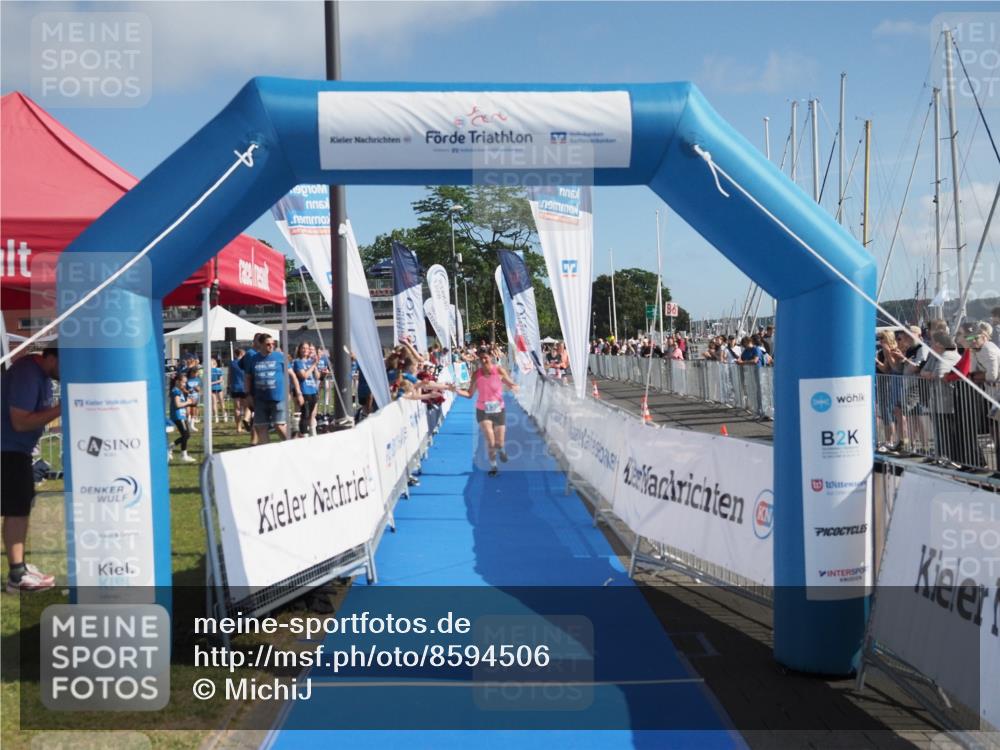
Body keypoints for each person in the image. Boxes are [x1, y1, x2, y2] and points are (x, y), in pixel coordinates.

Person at [1, 347, 60, 592]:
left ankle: (20, 569)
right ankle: (17, 575)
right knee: (16, 509)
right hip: (7, 450)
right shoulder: (27, 372)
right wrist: (61, 408)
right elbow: (20, 421)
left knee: (20, 508)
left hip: (16, 451)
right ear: (50, 358)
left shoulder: (43, 377)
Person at [455, 348, 519, 477]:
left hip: (499, 409)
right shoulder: (476, 374)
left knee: (499, 442)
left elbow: (510, 383)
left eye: (486, 358)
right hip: (482, 410)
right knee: (490, 441)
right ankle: (494, 466)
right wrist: (455, 390)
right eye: (481, 358)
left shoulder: (499, 371)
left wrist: (515, 387)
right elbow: (469, 394)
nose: (484, 360)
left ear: (491, 357)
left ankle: (501, 449)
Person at [246, 335, 289, 443]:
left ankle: (291, 444)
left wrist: (295, 391)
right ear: (260, 344)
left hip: (278, 397)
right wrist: (248, 394)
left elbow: (290, 374)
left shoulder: (280, 356)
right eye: (268, 344)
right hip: (260, 399)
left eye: (273, 344)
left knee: (279, 425)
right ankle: (268, 453)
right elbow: (248, 377)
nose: (271, 346)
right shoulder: (253, 359)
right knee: (261, 427)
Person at [292, 342, 319, 438]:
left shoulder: (310, 362)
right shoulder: (297, 362)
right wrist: (313, 365)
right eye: (303, 348)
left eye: (307, 348)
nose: (305, 350)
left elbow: (317, 376)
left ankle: (311, 433)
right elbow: (303, 376)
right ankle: (303, 434)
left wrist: (315, 365)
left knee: (312, 415)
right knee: (305, 415)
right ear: (299, 349)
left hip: (313, 391)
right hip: (304, 391)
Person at [169, 372, 197, 463]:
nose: (185, 384)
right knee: (186, 435)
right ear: (177, 381)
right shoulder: (175, 391)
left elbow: (183, 403)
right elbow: (177, 404)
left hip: (182, 415)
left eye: (185, 382)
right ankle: (173, 448)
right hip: (177, 416)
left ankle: (183, 454)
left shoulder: (180, 391)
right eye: (183, 382)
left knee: (186, 435)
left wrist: (190, 403)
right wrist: (188, 403)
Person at [229, 349, 248, 434]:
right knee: (246, 407)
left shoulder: (232, 363)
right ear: (241, 353)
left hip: (235, 387)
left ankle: (238, 427)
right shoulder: (245, 363)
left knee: (237, 408)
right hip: (244, 387)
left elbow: (229, 376)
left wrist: (228, 386)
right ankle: (246, 421)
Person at [210, 358, 225, 424]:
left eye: (211, 363)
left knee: (221, 401)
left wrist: (212, 383)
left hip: (218, 388)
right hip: (211, 389)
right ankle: (216, 417)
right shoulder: (208, 371)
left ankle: (224, 414)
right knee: (214, 402)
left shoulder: (218, 370)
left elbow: (221, 380)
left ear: (215, 364)